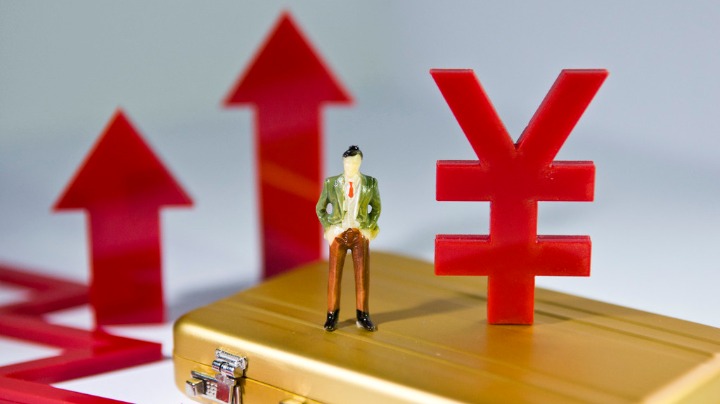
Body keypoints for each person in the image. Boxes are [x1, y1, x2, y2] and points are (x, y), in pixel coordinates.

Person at [316, 145, 381, 331]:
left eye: (354, 163)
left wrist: (368, 227)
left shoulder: (370, 183)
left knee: (362, 275)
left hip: (359, 234)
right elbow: (320, 208)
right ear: (343, 163)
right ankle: (332, 315)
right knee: (334, 276)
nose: (350, 167)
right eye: (347, 163)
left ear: (360, 163)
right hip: (339, 234)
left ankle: (363, 314)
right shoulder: (331, 183)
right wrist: (329, 229)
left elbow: (376, 208)